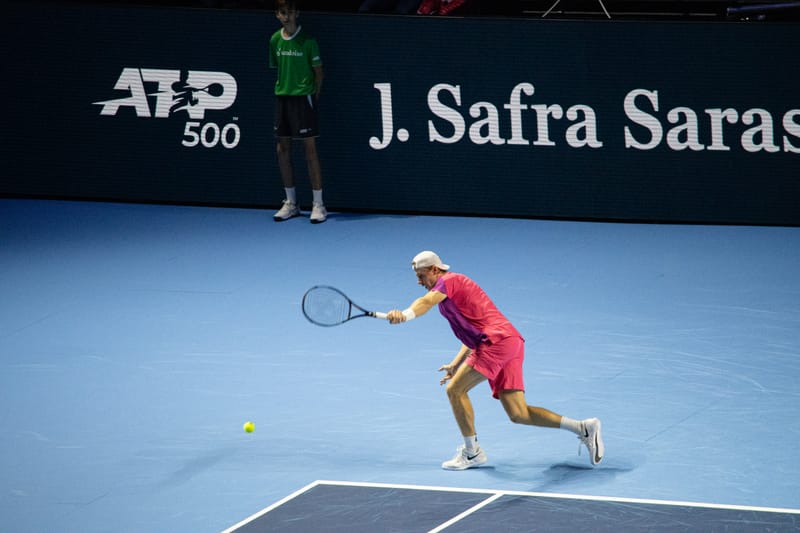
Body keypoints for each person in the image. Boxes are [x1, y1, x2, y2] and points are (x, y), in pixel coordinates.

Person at [387, 251, 604, 470]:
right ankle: (583, 428)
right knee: (519, 414)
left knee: (455, 390)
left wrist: (405, 315)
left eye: (421, 275)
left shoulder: (449, 281)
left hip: (497, 343)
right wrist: (456, 364)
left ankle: (472, 453)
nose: (418, 281)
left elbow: (425, 302)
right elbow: (473, 332)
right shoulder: (449, 294)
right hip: (510, 342)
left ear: (434, 269)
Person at [269, 0, 327, 224]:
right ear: (277, 15)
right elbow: (277, 69)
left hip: (304, 100)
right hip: (282, 98)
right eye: (283, 13)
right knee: (282, 148)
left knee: (309, 150)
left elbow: (319, 73)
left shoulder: (309, 41)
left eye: (291, 12)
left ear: (297, 13)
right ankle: (291, 202)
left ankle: (318, 204)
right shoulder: (274, 40)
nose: (287, 16)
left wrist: (313, 98)